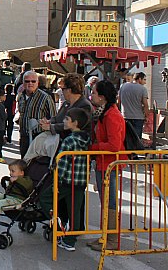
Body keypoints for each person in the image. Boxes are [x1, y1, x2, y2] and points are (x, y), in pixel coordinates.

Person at [39, 108, 91, 252]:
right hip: (80, 181)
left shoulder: (69, 140)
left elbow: (62, 163)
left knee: (45, 198)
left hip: (66, 181)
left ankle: (56, 224)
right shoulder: (86, 140)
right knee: (75, 211)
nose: (64, 121)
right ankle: (70, 241)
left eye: (67, 119)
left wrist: (57, 179)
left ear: (75, 123)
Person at [88, 79, 126, 251]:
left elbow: (114, 145)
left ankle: (112, 240)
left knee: (109, 202)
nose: (91, 95)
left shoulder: (112, 115)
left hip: (109, 164)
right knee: (105, 201)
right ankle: (106, 236)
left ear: (102, 97)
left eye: (94, 93)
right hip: (103, 163)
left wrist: (93, 148)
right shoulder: (103, 113)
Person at [0, 159, 33, 224]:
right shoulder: (13, 179)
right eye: (10, 171)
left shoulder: (26, 180)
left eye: (13, 171)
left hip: (18, 200)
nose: (10, 173)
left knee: (0, 203)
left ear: (21, 173)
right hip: (10, 196)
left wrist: (18, 179)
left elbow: (28, 185)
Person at [17, 71, 57, 158]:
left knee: (34, 167)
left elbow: (54, 118)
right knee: (24, 164)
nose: (30, 83)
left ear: (37, 82)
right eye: (27, 81)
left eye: (33, 81)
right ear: (23, 83)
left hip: (39, 138)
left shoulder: (45, 97)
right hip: (24, 137)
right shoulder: (21, 97)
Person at [118, 72, 149, 138]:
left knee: (126, 138)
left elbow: (118, 101)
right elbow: (145, 104)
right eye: (144, 79)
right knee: (136, 139)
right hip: (138, 117)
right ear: (139, 79)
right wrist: (146, 116)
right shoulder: (143, 89)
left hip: (125, 116)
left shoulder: (123, 86)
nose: (145, 82)